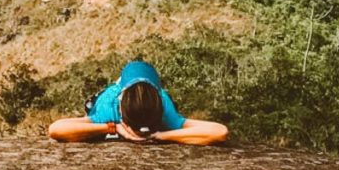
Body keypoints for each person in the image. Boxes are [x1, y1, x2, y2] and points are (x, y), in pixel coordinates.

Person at [48, 60, 229, 145]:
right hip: (116, 92)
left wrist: (162, 135)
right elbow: (55, 129)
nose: (142, 135)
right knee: (92, 107)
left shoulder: (164, 109)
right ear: (122, 118)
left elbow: (220, 132)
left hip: (150, 85)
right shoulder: (109, 109)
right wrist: (111, 127)